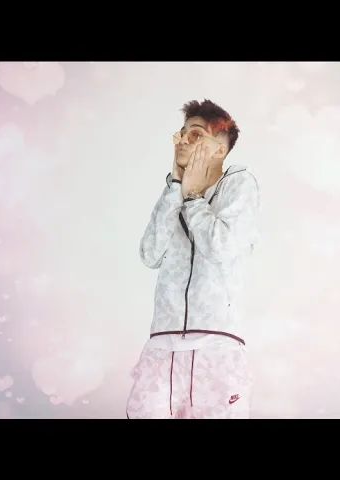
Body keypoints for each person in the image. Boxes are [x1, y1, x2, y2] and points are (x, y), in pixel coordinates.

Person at [126, 99, 260, 419]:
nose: (182, 141)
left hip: (215, 344)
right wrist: (176, 186)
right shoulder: (173, 192)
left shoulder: (240, 184)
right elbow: (149, 254)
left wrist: (195, 198)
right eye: (181, 133)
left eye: (196, 134)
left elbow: (221, 248)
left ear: (219, 150)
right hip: (163, 345)